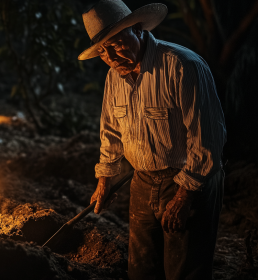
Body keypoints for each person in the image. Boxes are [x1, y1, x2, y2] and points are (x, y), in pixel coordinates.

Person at [79, 1, 227, 279]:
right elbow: (110, 132)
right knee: (142, 269)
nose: (110, 57)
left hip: (188, 180)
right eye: (102, 51)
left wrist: (185, 195)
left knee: (184, 270)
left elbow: (207, 139)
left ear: (136, 29)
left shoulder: (182, 66)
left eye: (116, 43)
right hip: (143, 181)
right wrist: (105, 180)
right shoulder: (114, 76)